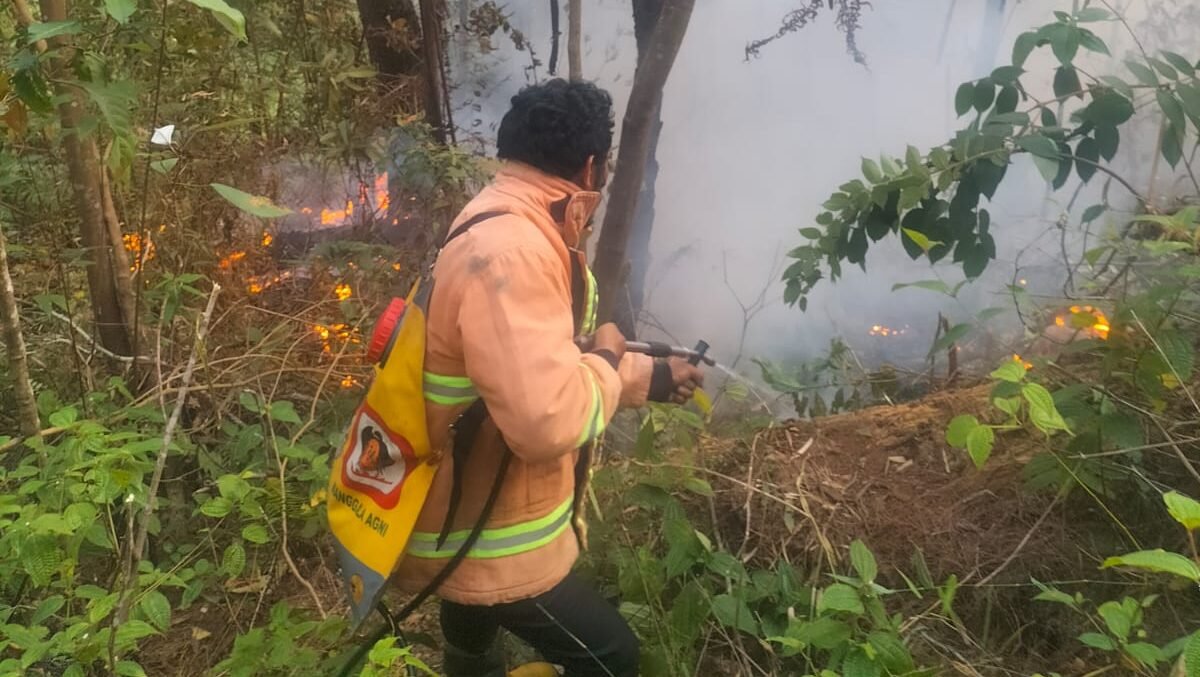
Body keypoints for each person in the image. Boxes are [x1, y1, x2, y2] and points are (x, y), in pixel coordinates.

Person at [392, 78, 704, 677]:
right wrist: (610, 360)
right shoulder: (514, 249)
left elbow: (529, 364)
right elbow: (543, 419)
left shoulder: (498, 217)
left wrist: (651, 377)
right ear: (593, 165)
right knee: (612, 655)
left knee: (473, 633)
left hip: (458, 508)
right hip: (491, 533)